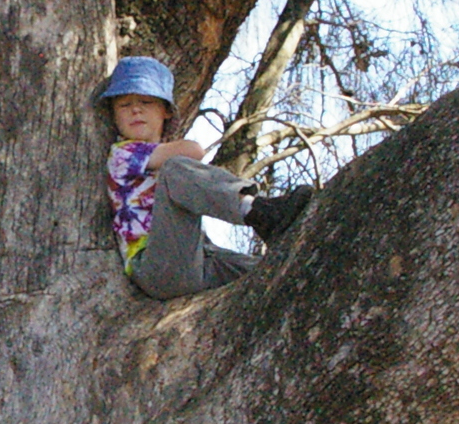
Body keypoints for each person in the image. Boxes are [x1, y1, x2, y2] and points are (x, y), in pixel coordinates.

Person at [101, 56, 313, 300]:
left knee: (273, 273)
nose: (135, 109)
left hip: (197, 258)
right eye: (124, 105)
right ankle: (258, 212)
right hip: (156, 266)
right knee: (175, 169)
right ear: (114, 115)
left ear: (166, 111)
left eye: (146, 101)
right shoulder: (123, 153)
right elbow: (195, 151)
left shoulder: (159, 158)